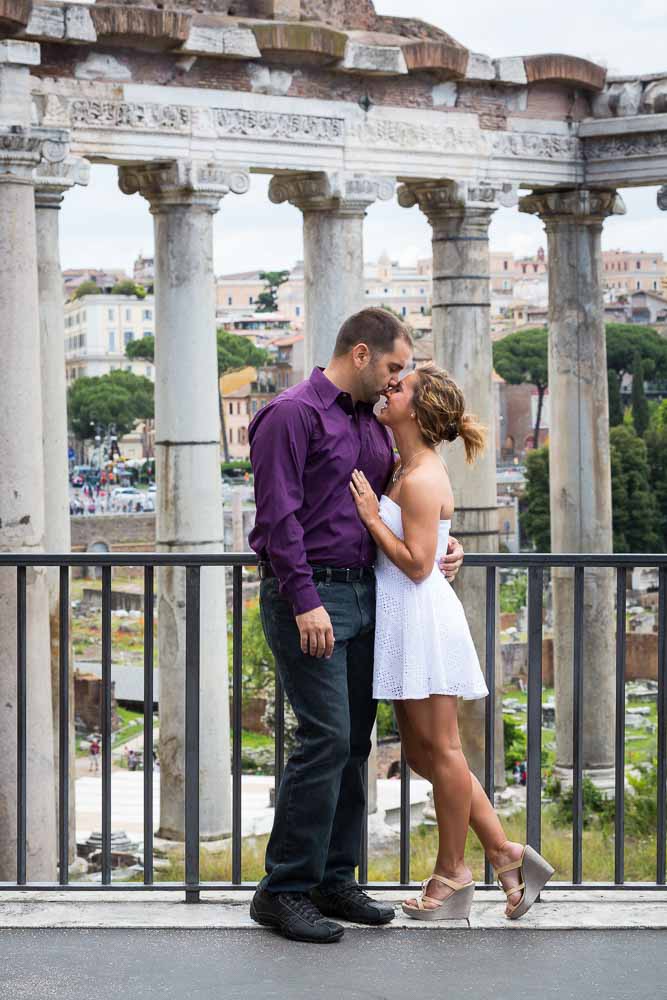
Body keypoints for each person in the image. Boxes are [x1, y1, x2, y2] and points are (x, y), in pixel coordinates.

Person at [247, 308, 465, 944]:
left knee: (355, 745)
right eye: (395, 367)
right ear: (363, 354)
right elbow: (279, 518)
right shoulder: (292, 413)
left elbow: (403, 512)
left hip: (368, 595)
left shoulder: (370, 427)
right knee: (324, 739)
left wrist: (449, 548)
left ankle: (333, 879)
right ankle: (282, 889)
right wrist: (305, 599)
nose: (399, 382)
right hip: (310, 596)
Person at [349, 362, 554, 921]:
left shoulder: (419, 475)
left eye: (399, 387)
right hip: (406, 619)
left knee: (441, 752)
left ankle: (453, 874)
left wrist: (372, 519)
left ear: (415, 409)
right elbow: (429, 542)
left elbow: (417, 566)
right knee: (422, 752)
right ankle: (506, 854)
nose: (388, 390)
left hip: (420, 619)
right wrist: (439, 540)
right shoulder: (405, 466)